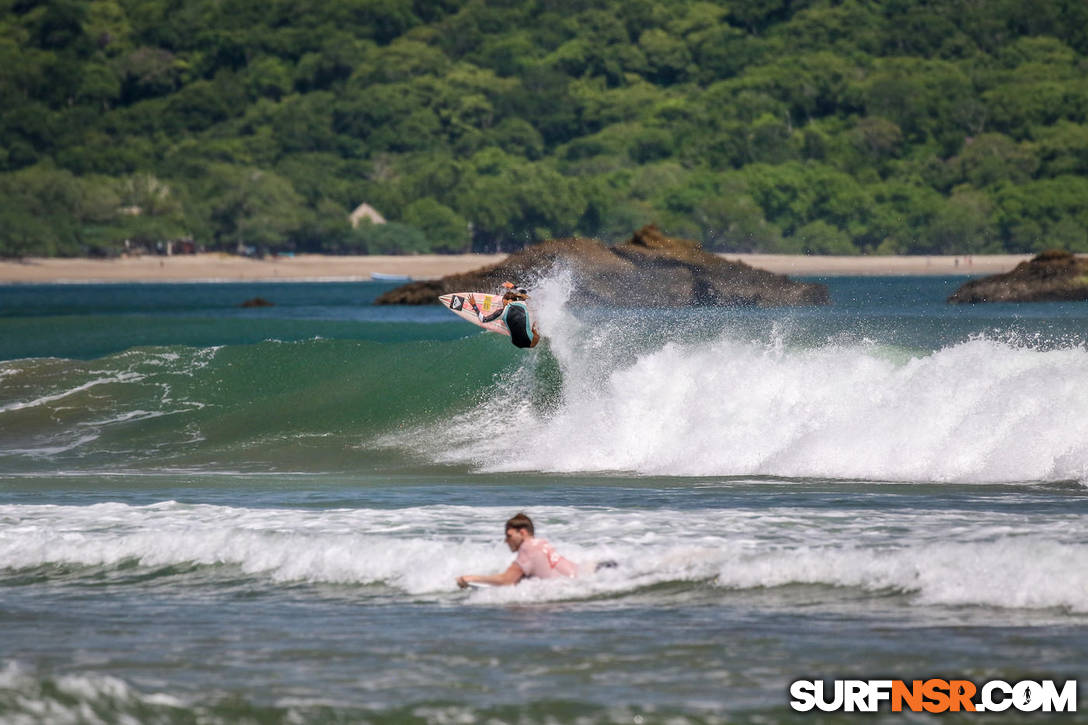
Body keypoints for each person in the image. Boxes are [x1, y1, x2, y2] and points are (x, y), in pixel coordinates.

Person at [456, 513, 577, 588]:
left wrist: (471, 578)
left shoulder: (528, 547)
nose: (506, 541)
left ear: (523, 533)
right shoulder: (542, 544)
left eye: (509, 536)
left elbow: (506, 580)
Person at [468, 287, 540, 349]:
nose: (503, 305)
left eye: (503, 302)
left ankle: (506, 322)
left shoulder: (501, 312)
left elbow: (483, 319)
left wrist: (474, 305)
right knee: (534, 323)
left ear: (506, 300)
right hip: (531, 342)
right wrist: (513, 286)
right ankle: (533, 328)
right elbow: (524, 291)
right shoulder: (523, 302)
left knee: (506, 320)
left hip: (516, 343)